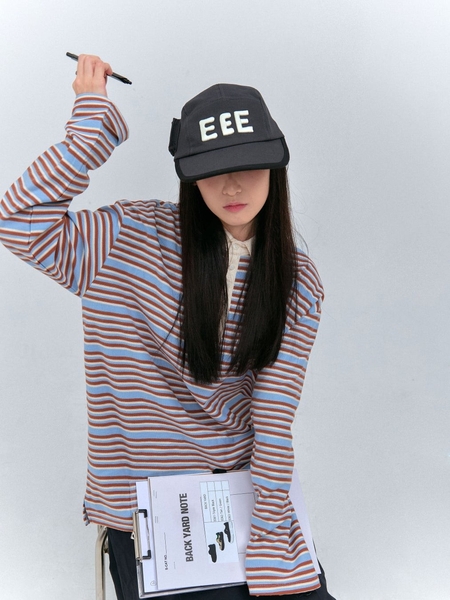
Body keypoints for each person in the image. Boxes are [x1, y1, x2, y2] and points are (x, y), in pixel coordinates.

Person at [0, 55, 335, 600]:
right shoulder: (126, 239)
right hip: (147, 518)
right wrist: (90, 128)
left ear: (276, 166)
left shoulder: (296, 280)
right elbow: (18, 222)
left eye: (249, 164)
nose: (232, 185)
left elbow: (273, 421)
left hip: (243, 505)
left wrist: (273, 541)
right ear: (190, 174)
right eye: (212, 169)